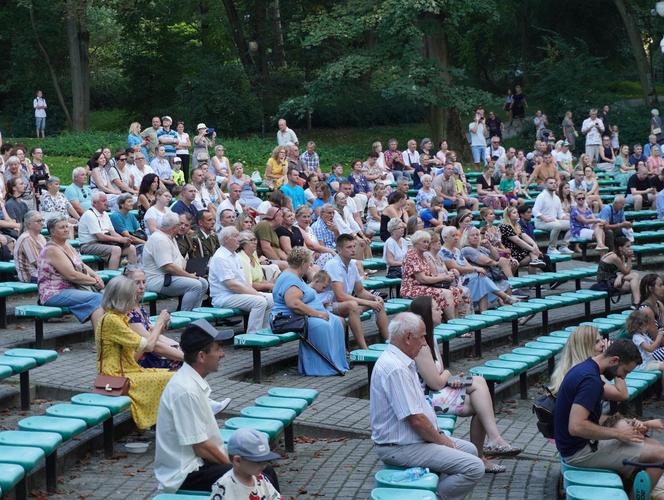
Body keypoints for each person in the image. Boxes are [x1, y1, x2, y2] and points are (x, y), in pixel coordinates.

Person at [154, 319, 280, 492]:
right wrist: (236, 468)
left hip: (198, 464)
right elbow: (202, 447)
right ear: (201, 356)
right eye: (218, 349)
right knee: (258, 475)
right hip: (185, 475)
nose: (222, 354)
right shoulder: (186, 390)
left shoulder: (189, 382)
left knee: (264, 469)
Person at [370, 312, 484, 500]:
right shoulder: (396, 368)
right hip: (399, 447)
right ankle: (433, 496)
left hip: (410, 441)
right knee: (474, 467)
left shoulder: (402, 361)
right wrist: (441, 441)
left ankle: (433, 490)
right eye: (422, 336)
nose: (424, 343)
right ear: (407, 337)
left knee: (471, 450)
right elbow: (416, 419)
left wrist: (440, 437)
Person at [411, 296, 521, 472]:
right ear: (425, 314)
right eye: (435, 308)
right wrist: (448, 374)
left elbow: (439, 377)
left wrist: (450, 376)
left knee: (481, 396)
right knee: (479, 391)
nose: (440, 309)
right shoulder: (422, 346)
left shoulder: (431, 339)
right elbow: (436, 383)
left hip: (440, 391)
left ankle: (486, 451)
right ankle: (492, 443)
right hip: (428, 399)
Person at [553, 339, 664, 484]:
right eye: (624, 371)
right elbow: (576, 426)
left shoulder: (586, 368)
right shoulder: (591, 381)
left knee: (653, 444)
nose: (623, 377)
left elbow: (591, 418)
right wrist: (619, 434)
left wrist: (629, 424)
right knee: (661, 455)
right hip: (579, 453)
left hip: (577, 446)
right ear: (614, 360)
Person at [96, 276, 173, 429]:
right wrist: (159, 323)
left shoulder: (117, 317)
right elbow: (149, 346)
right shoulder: (112, 320)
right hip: (115, 376)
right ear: (123, 299)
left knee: (170, 375)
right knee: (171, 377)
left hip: (126, 369)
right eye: (132, 296)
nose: (135, 299)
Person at [272, 246, 349, 376]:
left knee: (336, 321)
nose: (310, 265)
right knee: (323, 325)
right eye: (309, 262)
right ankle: (320, 367)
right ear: (302, 263)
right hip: (289, 318)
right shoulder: (289, 278)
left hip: (302, 315)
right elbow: (294, 303)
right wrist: (317, 313)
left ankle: (336, 363)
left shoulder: (296, 276)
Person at [38, 215, 104, 329]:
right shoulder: (52, 249)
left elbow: (81, 264)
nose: (66, 229)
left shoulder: (67, 245)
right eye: (62, 227)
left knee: (107, 297)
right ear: (52, 232)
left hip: (72, 289)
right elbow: (71, 275)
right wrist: (94, 281)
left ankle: (104, 338)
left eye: (67, 226)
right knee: (97, 298)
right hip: (54, 293)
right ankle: (102, 341)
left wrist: (96, 275)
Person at [324, 234, 388, 349]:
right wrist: (368, 303)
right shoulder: (333, 265)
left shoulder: (352, 264)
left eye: (354, 246)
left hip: (345, 304)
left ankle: (388, 342)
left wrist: (373, 298)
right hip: (329, 305)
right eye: (349, 247)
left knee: (379, 302)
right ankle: (364, 348)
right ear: (339, 249)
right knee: (353, 305)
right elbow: (340, 296)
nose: (353, 250)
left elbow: (360, 291)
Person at [209, 226, 273, 333]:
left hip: (235, 294)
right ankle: (253, 336)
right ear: (226, 239)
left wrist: (255, 292)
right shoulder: (220, 257)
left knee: (271, 298)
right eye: (235, 236)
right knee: (259, 301)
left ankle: (264, 331)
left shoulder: (235, 256)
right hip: (224, 297)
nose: (239, 239)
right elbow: (232, 285)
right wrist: (256, 294)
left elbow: (243, 282)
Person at [143, 212, 209, 311]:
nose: (181, 227)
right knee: (195, 285)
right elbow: (168, 266)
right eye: (179, 224)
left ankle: (195, 313)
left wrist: (195, 272)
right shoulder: (159, 239)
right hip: (158, 281)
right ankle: (185, 315)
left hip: (169, 277)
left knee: (203, 282)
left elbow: (179, 261)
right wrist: (188, 275)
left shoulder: (169, 237)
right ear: (174, 228)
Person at [124, 265, 183, 370]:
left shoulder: (138, 306)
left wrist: (176, 345)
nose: (142, 286)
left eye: (144, 282)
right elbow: (151, 344)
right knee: (184, 363)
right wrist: (188, 358)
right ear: (126, 285)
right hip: (136, 360)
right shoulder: (128, 312)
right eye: (137, 283)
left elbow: (152, 332)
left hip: (148, 352)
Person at [401, 230, 468, 320]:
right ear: (416, 242)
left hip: (425, 286)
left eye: (428, 242)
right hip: (412, 288)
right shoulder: (412, 255)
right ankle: (452, 323)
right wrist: (443, 277)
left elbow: (431, 276)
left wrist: (446, 275)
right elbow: (422, 279)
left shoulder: (422, 255)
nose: (426, 244)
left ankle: (458, 320)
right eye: (424, 242)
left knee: (457, 291)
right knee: (446, 293)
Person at [210, 428, 282, 499]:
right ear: (237, 461)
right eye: (258, 462)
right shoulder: (223, 486)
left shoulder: (261, 479)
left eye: (265, 461)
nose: (263, 466)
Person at [78, 192, 137, 270]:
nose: (106, 203)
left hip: (102, 243)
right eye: (103, 201)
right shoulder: (89, 214)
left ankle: (132, 275)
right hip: (88, 245)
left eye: (106, 200)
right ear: (95, 203)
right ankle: (113, 278)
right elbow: (100, 237)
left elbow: (112, 232)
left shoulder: (105, 214)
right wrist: (120, 239)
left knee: (131, 248)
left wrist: (124, 240)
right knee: (116, 249)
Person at [532, 177, 572, 255]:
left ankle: (563, 246)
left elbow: (560, 214)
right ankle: (551, 248)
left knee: (572, 224)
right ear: (545, 184)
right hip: (541, 222)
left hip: (553, 221)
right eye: (551, 183)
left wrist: (570, 218)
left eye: (554, 183)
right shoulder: (541, 196)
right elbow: (535, 211)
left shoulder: (556, 198)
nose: (553, 185)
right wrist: (545, 218)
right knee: (557, 226)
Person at [597, 236, 641, 307]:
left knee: (635, 277)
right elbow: (626, 271)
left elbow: (624, 272)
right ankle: (636, 303)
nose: (630, 249)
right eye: (627, 246)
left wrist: (620, 276)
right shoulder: (614, 257)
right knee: (635, 283)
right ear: (620, 248)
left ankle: (636, 303)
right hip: (605, 281)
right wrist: (629, 258)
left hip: (613, 278)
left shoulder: (621, 256)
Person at [14, 211, 46, 283]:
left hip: (42, 273)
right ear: (29, 224)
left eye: (42, 220)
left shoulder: (41, 237)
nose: (42, 223)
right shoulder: (26, 238)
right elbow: (37, 263)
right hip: (30, 276)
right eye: (38, 221)